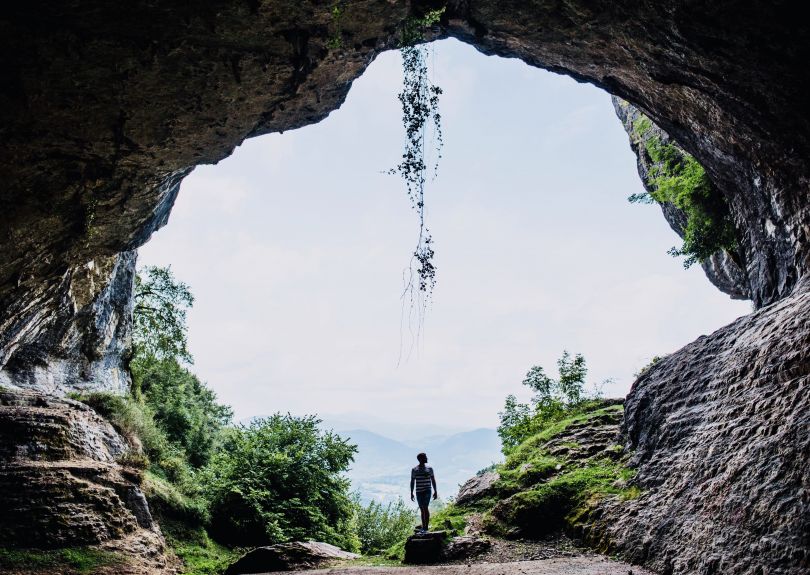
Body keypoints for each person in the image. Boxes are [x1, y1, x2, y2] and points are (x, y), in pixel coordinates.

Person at [410, 452, 438, 532]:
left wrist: (435, 491)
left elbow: (433, 480)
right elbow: (412, 481)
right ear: (421, 459)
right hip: (418, 491)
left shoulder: (429, 469)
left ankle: (426, 527)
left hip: (427, 491)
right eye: (425, 457)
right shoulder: (414, 470)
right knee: (422, 509)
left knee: (425, 507)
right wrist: (411, 492)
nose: (427, 458)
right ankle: (424, 527)